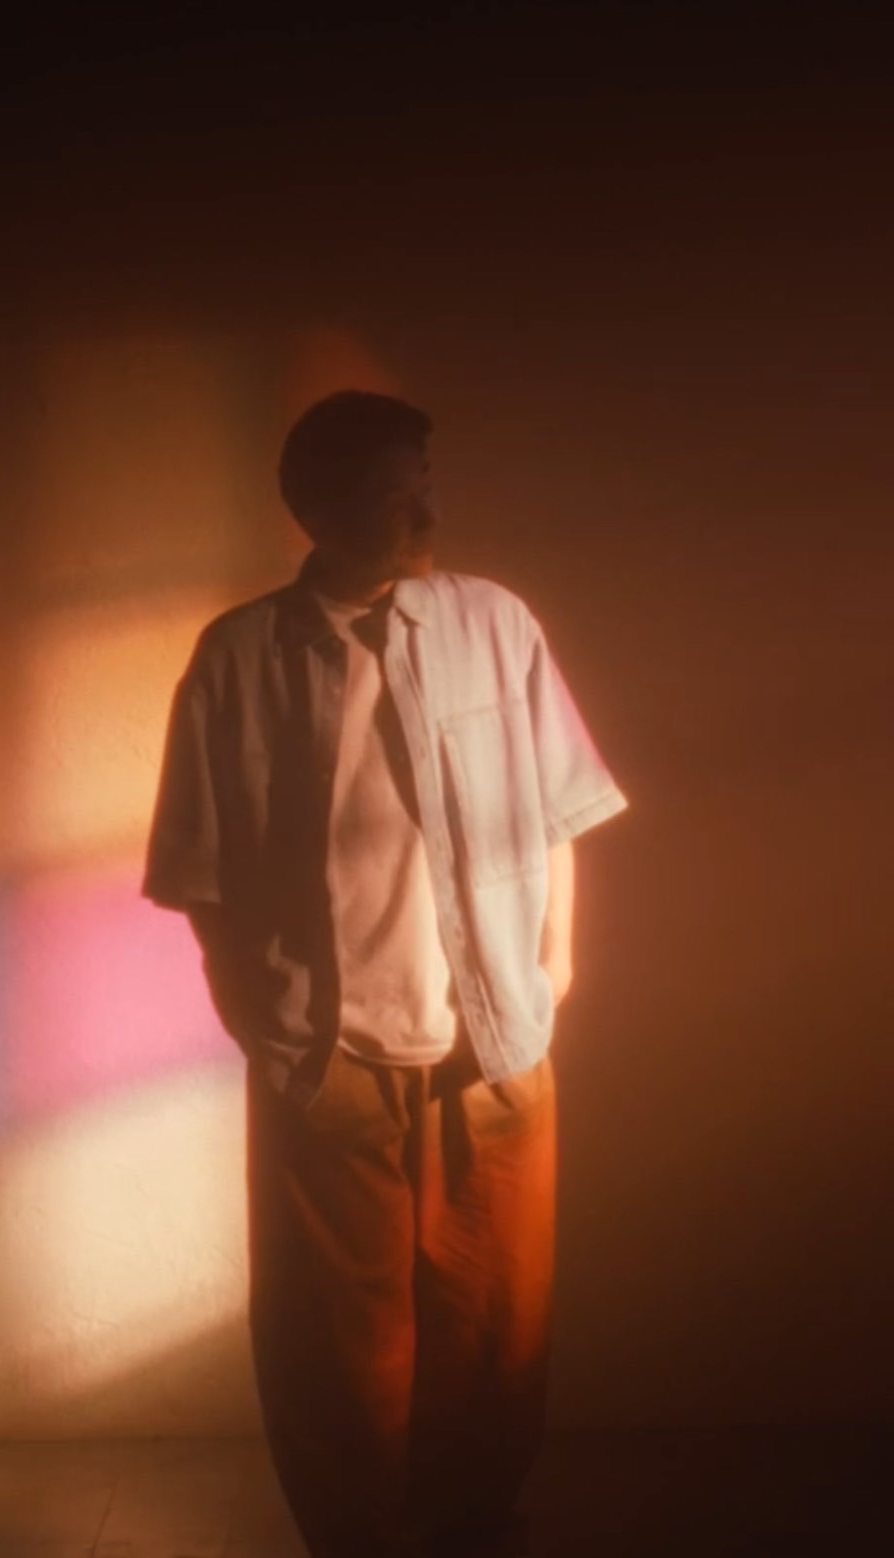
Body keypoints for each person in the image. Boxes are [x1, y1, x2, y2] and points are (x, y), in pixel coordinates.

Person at [143, 390, 627, 1558]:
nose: (428, 513)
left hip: (492, 1030)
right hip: (327, 1046)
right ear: (319, 508)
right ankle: (356, 1537)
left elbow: (558, 806)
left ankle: (474, 1525)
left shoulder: (495, 622)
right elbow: (200, 863)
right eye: (396, 491)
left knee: (495, 1313)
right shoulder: (240, 654)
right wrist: (260, 1015)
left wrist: (553, 965)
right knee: (332, 1334)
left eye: (427, 482)